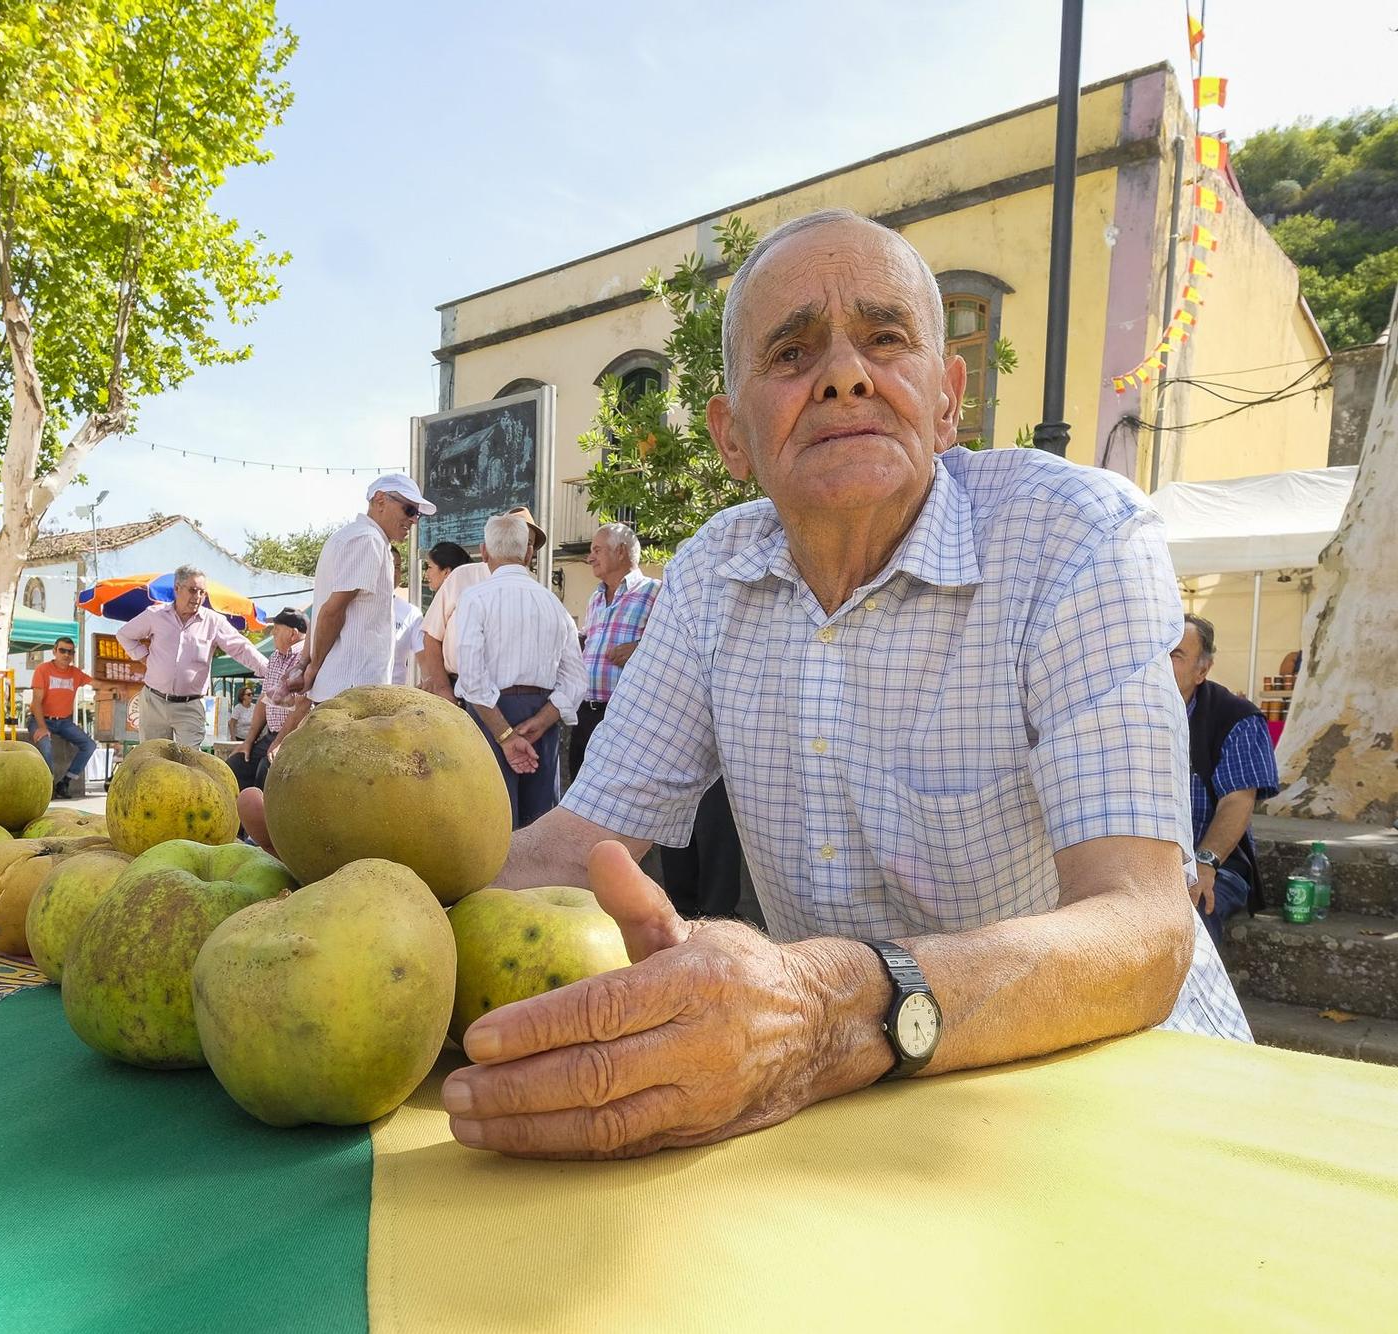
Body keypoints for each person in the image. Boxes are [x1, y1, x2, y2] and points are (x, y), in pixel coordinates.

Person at [241, 209, 1249, 1161]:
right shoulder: (714, 574)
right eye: (792, 351)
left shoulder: (1075, 536)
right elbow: (576, 842)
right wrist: (337, 902)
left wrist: (822, 1009)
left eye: (883, 339)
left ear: (947, 401)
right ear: (731, 437)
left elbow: (1141, 929)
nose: (844, 377)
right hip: (855, 1108)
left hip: (1124, 1104)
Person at [274, 475, 429, 746]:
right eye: (409, 510)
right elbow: (332, 612)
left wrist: (306, 665)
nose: (414, 520)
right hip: (353, 695)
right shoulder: (367, 540)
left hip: (343, 692)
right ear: (380, 500)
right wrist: (312, 668)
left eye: (417, 514)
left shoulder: (350, 537)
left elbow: (323, 610)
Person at [455, 513, 587, 829]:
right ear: (528, 553)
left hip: (491, 717)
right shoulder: (553, 604)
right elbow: (576, 679)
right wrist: (539, 724)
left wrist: (504, 735)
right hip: (542, 719)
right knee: (540, 824)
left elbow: (472, 678)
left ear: (484, 551)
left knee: (492, 823)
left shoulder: (475, 598)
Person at [1172, 614, 1280, 943]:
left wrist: (1205, 863)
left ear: (1202, 670)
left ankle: (1191, 996)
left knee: (1189, 921)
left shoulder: (1237, 717)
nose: (1161, 664)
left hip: (1215, 863)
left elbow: (1237, 801)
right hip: (1143, 860)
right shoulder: (1129, 712)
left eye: (1176, 655)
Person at [116, 566, 267, 748]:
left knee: (189, 762)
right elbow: (124, 635)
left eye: (202, 592)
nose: (197, 597)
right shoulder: (155, 615)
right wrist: (144, 657)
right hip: (153, 701)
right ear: (177, 588)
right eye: (193, 590)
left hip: (190, 705)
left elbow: (241, 648)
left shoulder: (213, 621)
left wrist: (268, 670)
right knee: (152, 761)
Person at [418, 507, 545, 702]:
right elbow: (432, 636)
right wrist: (443, 689)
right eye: (514, 538)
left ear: (530, 552)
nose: (518, 546)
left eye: (527, 542)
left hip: (510, 698)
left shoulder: (536, 592)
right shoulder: (463, 576)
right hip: (456, 691)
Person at [569, 521, 658, 783]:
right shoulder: (595, 598)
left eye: (597, 549)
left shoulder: (654, 591)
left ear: (620, 551)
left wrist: (641, 649)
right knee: (580, 788)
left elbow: (674, 646)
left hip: (627, 716)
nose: (589, 557)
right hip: (586, 713)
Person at [230, 609, 305, 791]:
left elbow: (303, 706)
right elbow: (264, 700)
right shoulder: (275, 657)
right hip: (270, 734)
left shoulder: (305, 658)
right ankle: (237, 819)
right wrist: (248, 741)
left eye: (277, 630)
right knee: (235, 765)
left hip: (296, 737)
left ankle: (261, 819)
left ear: (293, 633)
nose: (272, 634)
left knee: (266, 770)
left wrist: (279, 742)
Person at [30, 638, 97, 796]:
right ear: (54, 651)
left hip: (65, 722)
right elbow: (36, 702)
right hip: (41, 719)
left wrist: (119, 686)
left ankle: (65, 782)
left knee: (90, 745)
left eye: (70, 651)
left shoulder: (76, 673)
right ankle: (49, 786)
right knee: (46, 745)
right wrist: (42, 727)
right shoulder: (42, 669)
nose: (66, 654)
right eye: (62, 650)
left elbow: (97, 683)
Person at [392, 551, 425, 686]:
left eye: (397, 567)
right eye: (388, 566)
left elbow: (425, 658)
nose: (393, 573)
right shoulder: (352, 607)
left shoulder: (411, 613)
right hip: (354, 695)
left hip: (393, 696)